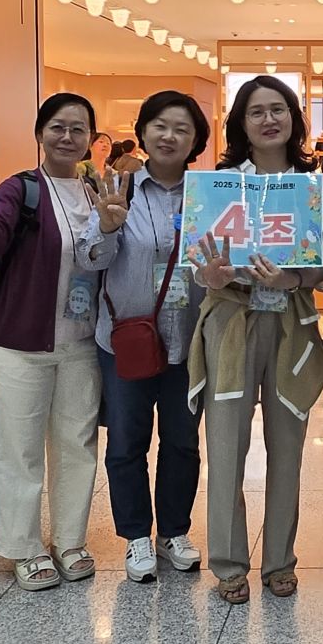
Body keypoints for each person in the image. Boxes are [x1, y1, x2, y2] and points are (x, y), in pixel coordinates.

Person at [0, 94, 127, 592]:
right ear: (40, 133)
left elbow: (103, 257)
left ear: (91, 139)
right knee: (21, 447)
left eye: (78, 129)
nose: (67, 137)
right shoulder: (21, 189)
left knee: (77, 444)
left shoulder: (96, 191)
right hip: (22, 342)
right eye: (58, 127)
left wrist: (110, 228)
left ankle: (70, 539)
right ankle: (25, 545)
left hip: (82, 341)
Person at [189, 75, 323, 605]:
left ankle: (280, 561)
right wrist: (211, 276)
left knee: (288, 446)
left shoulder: (312, 187)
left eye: (279, 109)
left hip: (290, 323)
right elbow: (198, 262)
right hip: (230, 322)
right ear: (241, 124)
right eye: (256, 112)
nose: (269, 120)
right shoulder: (219, 186)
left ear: (294, 119)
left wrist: (294, 278)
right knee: (226, 444)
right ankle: (229, 562)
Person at [76, 92, 212, 582]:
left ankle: (173, 531)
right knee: (127, 442)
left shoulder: (210, 194)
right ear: (144, 131)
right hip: (127, 342)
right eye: (160, 125)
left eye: (182, 128)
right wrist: (107, 227)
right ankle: (135, 535)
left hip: (190, 342)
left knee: (182, 443)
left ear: (196, 140)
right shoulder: (120, 188)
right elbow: (89, 258)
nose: (169, 136)